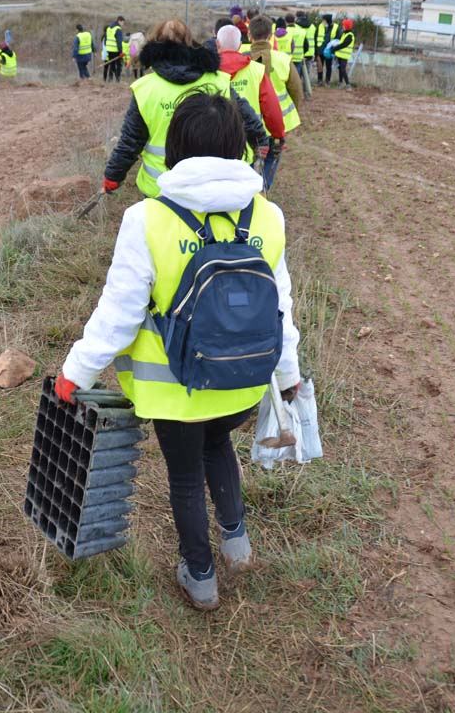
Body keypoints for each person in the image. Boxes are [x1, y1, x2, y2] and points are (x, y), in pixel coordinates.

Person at [56, 92, 302, 611]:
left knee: (186, 474)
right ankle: (237, 543)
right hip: (242, 382)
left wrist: (75, 371)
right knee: (220, 447)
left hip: (174, 392)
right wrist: (288, 375)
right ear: (238, 146)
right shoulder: (268, 216)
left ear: (175, 148)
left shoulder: (147, 219)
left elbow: (118, 315)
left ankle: (201, 575)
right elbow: (280, 308)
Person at [101, 19, 269, 199]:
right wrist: (261, 142)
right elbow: (247, 117)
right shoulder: (219, 80)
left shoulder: (145, 89)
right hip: (213, 186)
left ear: (156, 45)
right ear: (190, 43)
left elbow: (130, 141)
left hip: (162, 189)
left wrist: (113, 176)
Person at [216, 23, 285, 172]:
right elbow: (271, 109)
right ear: (240, 45)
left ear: (217, 44)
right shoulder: (257, 71)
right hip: (248, 148)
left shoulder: (208, 72)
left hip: (215, 148)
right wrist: (278, 135)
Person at [248, 16, 302, 190]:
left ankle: (249, 191)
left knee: (247, 159)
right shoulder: (283, 60)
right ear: (271, 35)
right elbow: (296, 91)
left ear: (249, 35)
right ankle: (263, 189)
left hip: (248, 124)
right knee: (272, 157)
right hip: (276, 125)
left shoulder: (243, 58)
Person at [314, 13, 340, 86]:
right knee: (319, 66)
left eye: (324, 20)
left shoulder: (336, 27)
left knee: (328, 66)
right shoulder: (320, 26)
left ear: (327, 20)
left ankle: (327, 81)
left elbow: (338, 39)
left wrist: (333, 50)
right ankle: (319, 81)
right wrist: (316, 51)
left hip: (329, 51)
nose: (322, 21)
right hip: (320, 50)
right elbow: (316, 38)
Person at [296, 12, 314, 99]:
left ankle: (297, 95)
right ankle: (307, 95)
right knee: (307, 75)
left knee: (297, 76)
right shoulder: (313, 27)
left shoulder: (297, 27)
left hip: (298, 54)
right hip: (310, 53)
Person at [334, 18, 356, 89]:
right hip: (340, 55)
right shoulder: (344, 34)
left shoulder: (350, 35)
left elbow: (344, 44)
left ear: (347, 26)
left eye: (344, 25)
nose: (342, 26)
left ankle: (348, 85)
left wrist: (334, 48)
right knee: (340, 68)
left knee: (343, 69)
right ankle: (340, 83)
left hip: (345, 56)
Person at [103, 16, 125, 83]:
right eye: (123, 22)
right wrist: (120, 51)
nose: (123, 24)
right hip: (116, 50)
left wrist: (107, 47)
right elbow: (119, 41)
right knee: (119, 65)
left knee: (112, 65)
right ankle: (118, 79)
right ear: (119, 21)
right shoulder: (118, 29)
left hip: (109, 49)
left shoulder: (109, 28)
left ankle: (110, 79)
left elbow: (105, 39)